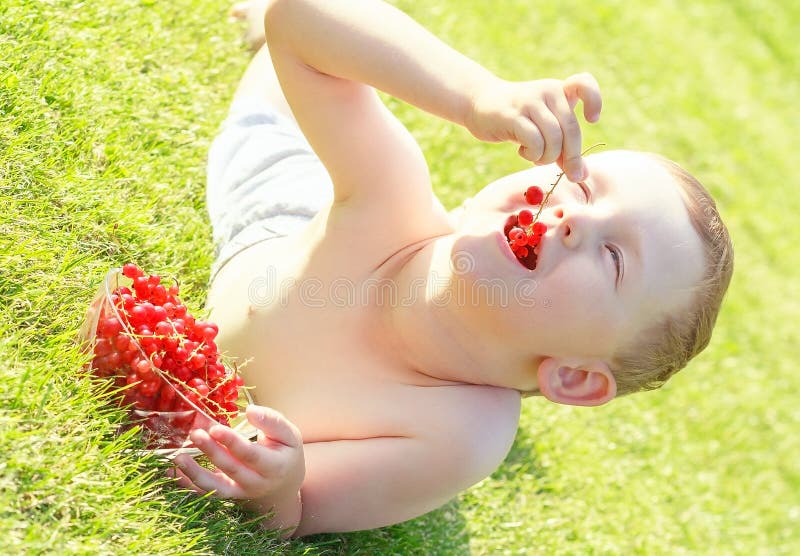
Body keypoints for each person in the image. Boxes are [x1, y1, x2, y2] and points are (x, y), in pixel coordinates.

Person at [170, 0, 733, 539]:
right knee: (272, 112)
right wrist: (476, 95)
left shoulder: (462, 437)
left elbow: (294, 513)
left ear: (575, 377)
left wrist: (276, 486)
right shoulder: (391, 199)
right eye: (582, 187)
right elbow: (300, 19)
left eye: (613, 258)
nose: (571, 219)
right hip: (275, 220)